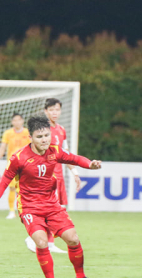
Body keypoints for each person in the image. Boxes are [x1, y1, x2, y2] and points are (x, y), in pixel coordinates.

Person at [0, 115, 102, 278]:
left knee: (73, 239)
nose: (44, 140)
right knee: (42, 242)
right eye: (39, 137)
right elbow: (4, 183)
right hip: (29, 207)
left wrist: (89, 164)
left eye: (46, 135)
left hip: (51, 204)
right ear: (31, 138)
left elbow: (74, 158)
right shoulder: (19, 158)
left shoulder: (54, 150)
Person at [25, 98, 81, 253]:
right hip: (45, 178)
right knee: (47, 209)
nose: (55, 113)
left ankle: (49, 243)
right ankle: (32, 238)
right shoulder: (42, 131)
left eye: (57, 110)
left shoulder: (61, 130)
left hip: (59, 176)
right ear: (45, 111)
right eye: (51, 110)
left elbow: (66, 154)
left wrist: (74, 172)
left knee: (58, 209)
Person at [0, 113, 30, 219]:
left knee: (25, 189)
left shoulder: (27, 132)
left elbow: (33, 147)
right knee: (12, 188)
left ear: (22, 121)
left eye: (19, 120)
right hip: (12, 165)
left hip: (26, 165)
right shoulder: (8, 133)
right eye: (15, 120)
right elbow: (3, 147)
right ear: (12, 122)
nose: (17, 122)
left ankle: (25, 211)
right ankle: (12, 211)